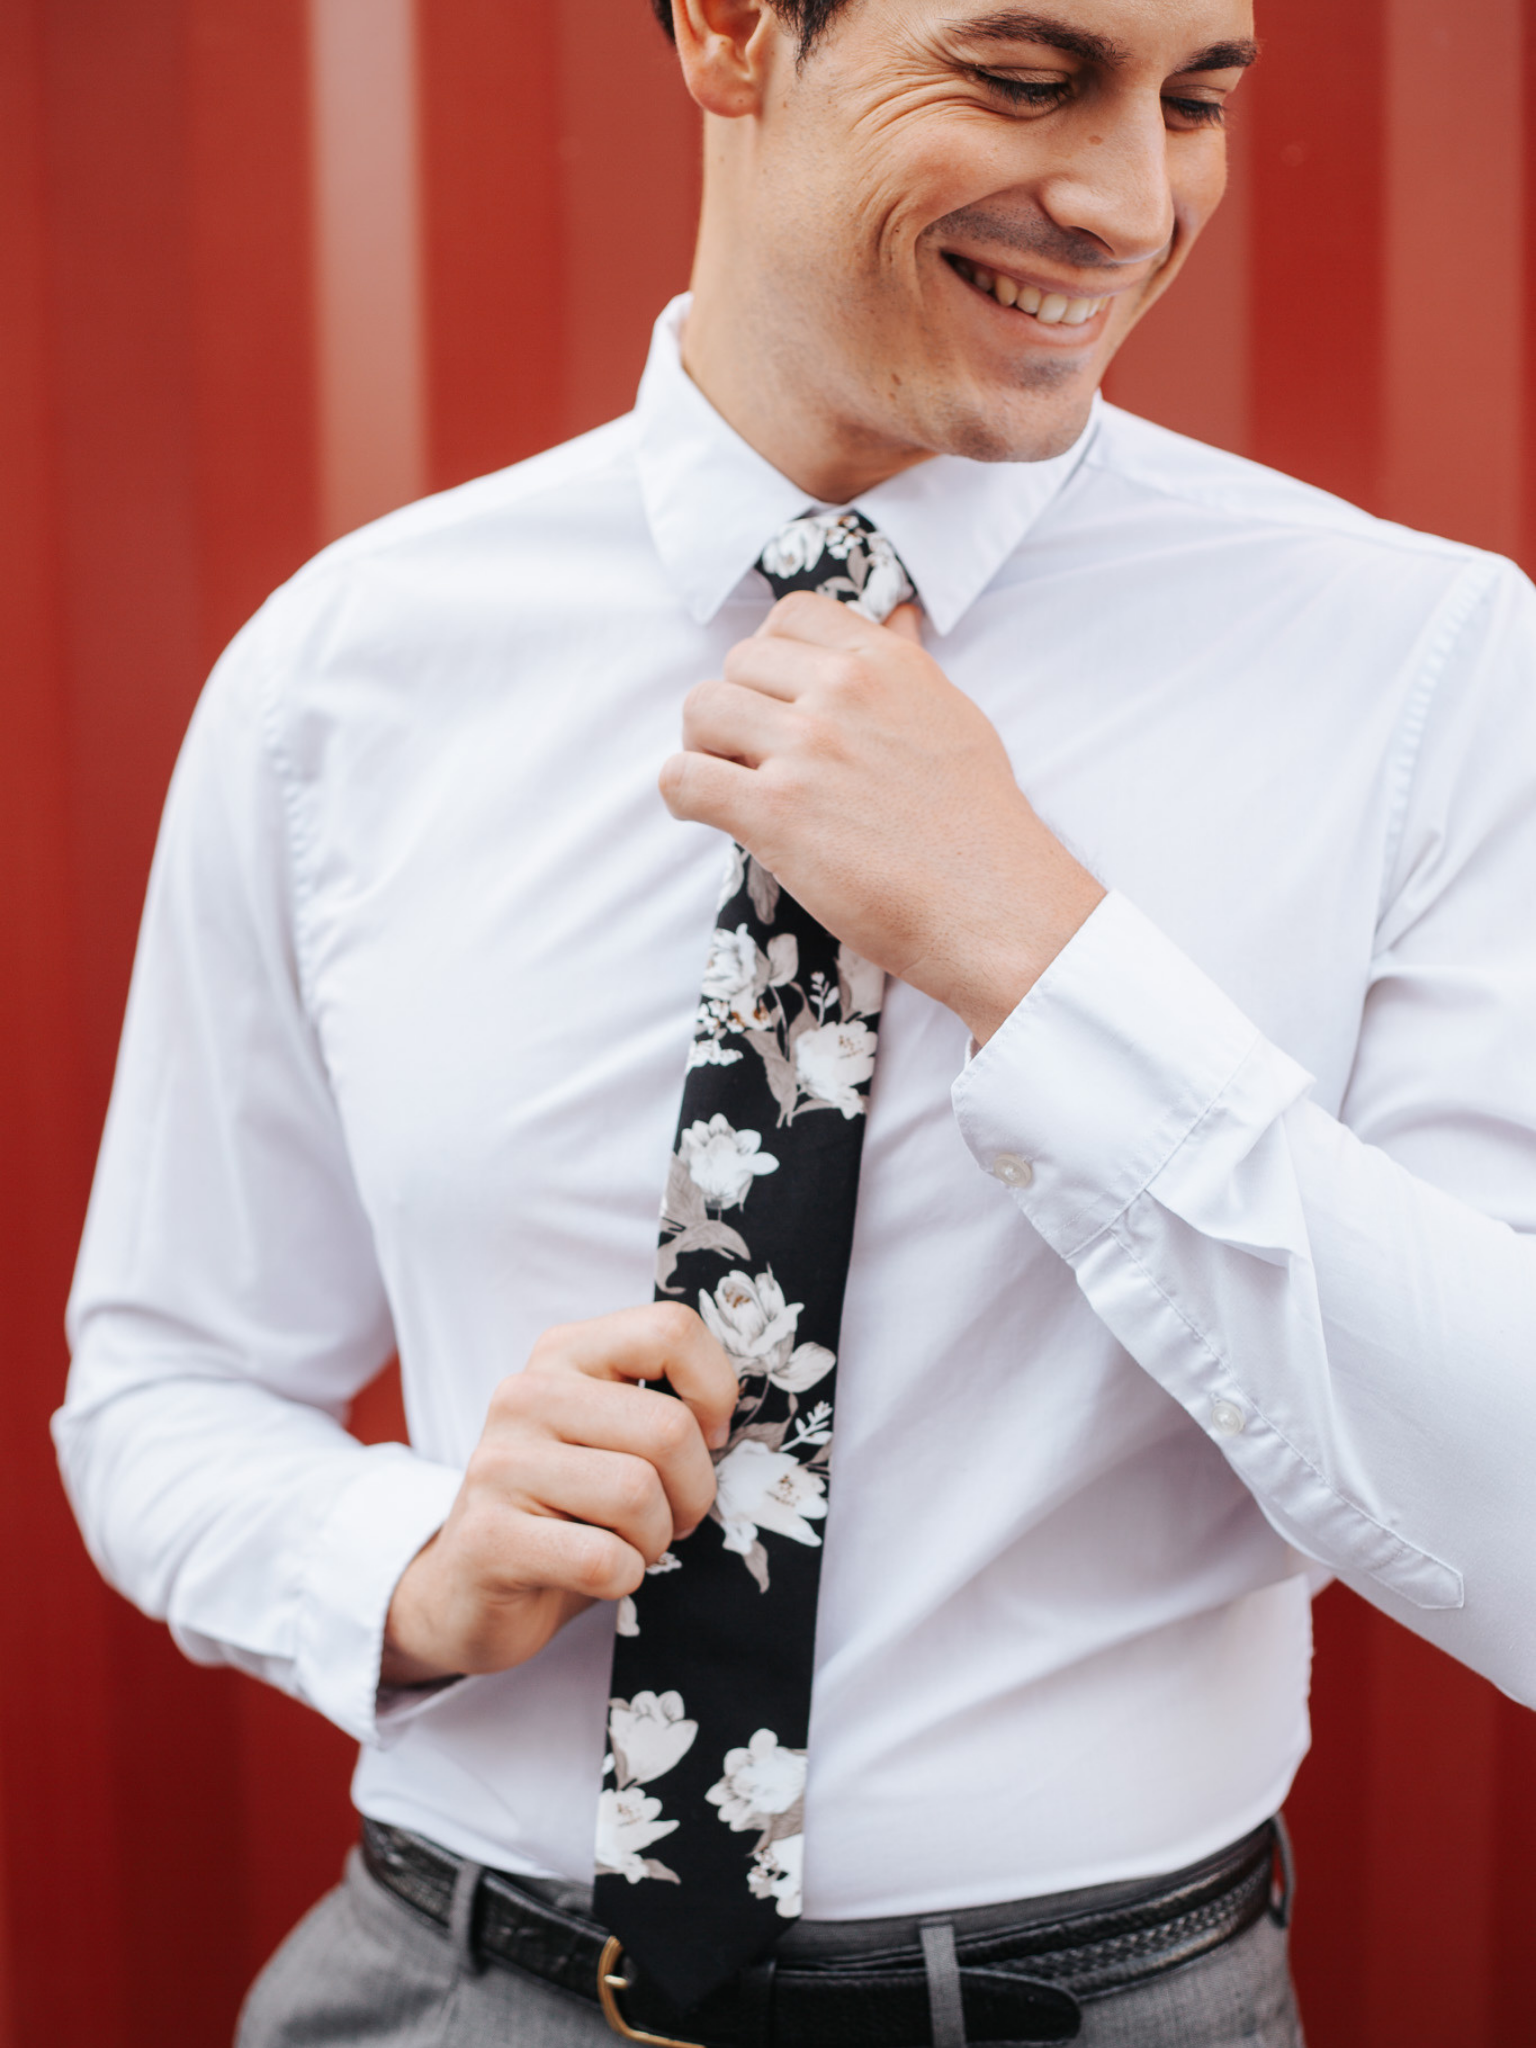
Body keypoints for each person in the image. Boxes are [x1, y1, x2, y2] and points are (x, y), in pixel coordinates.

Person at [56, 0, 1536, 2041]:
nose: (1128, 200)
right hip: (444, 1985)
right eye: (1029, 78)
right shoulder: (348, 674)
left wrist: (1037, 948)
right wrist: (408, 1558)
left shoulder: (1428, 675)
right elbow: (161, 1382)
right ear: (734, 32)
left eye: (1196, 99)